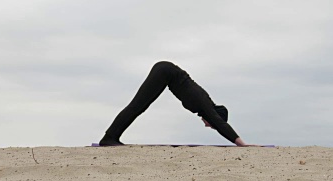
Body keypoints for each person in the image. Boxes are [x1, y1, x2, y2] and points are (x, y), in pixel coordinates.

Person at [99, 61, 257, 146]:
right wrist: (242, 143)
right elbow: (222, 125)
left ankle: (111, 137)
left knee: (139, 107)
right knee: (137, 106)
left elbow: (218, 123)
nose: (207, 125)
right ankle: (109, 138)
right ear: (215, 117)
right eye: (211, 124)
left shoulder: (205, 103)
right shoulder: (206, 106)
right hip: (164, 72)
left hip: (165, 73)